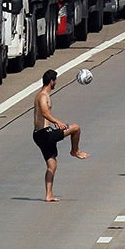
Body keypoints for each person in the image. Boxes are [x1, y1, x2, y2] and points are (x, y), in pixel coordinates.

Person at [32, 69, 90, 202]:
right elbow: (45, 113)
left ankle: (49, 195)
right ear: (51, 81)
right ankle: (74, 151)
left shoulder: (43, 95)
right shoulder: (42, 96)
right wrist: (58, 122)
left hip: (40, 134)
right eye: (55, 80)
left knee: (52, 165)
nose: (55, 83)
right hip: (44, 134)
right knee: (76, 128)